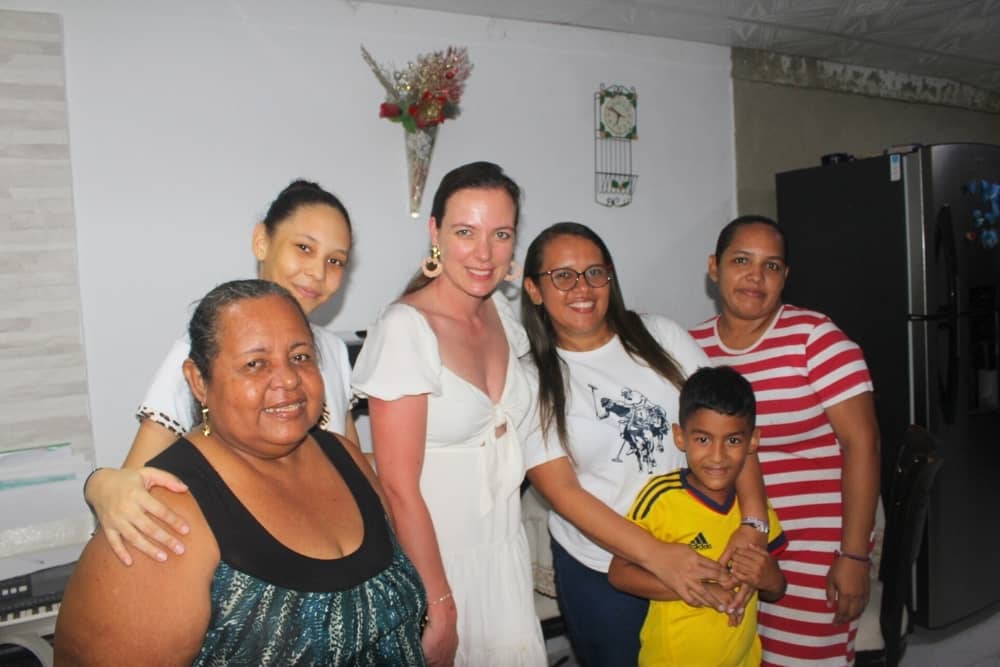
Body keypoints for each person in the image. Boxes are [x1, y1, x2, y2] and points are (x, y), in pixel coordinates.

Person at [55, 280, 426, 665]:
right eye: (255, 364)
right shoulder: (160, 514)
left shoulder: (345, 457)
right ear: (199, 381)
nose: (287, 380)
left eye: (300, 357)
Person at [520, 222, 772, 667]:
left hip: (700, 547)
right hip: (605, 569)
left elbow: (733, 423)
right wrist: (658, 556)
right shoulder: (529, 378)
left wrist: (753, 524)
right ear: (534, 290)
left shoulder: (660, 335)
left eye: (595, 272)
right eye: (563, 275)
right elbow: (563, 492)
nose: (582, 287)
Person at [83, 180, 358, 565]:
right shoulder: (204, 348)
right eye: (304, 248)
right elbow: (136, 481)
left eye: (335, 261)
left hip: (327, 549)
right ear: (261, 241)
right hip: (245, 561)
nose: (317, 272)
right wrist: (99, 484)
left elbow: (352, 467)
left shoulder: (332, 351)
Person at [352, 162, 546, 666]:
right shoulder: (405, 329)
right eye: (466, 232)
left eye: (500, 234)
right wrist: (438, 603)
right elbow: (397, 486)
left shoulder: (502, 314)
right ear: (435, 231)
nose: (484, 254)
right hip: (438, 570)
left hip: (504, 556)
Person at [689, 214, 880, 666]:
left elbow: (864, 446)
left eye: (771, 266)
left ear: (785, 277)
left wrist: (854, 555)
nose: (756, 277)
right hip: (729, 539)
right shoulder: (691, 348)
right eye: (741, 261)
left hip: (815, 540)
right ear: (714, 268)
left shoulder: (818, 341)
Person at [608, 365, 787, 667]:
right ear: (680, 436)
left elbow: (776, 589)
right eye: (703, 439)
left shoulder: (756, 512)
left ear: (753, 441)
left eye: (733, 441)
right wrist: (696, 588)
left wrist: (770, 579)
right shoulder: (661, 499)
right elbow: (619, 574)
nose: (717, 456)